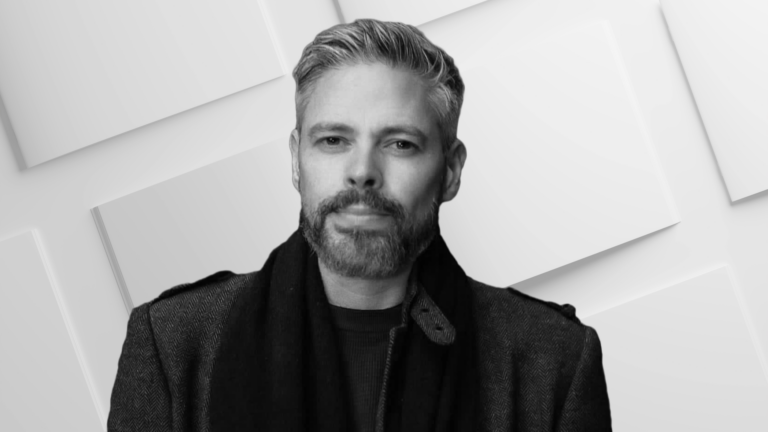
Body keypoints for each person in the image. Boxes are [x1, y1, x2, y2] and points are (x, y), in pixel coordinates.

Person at [107, 19, 612, 432]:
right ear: (295, 161)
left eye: (400, 144)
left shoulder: (553, 360)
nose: (363, 171)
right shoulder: (173, 346)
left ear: (451, 170)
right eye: (333, 140)